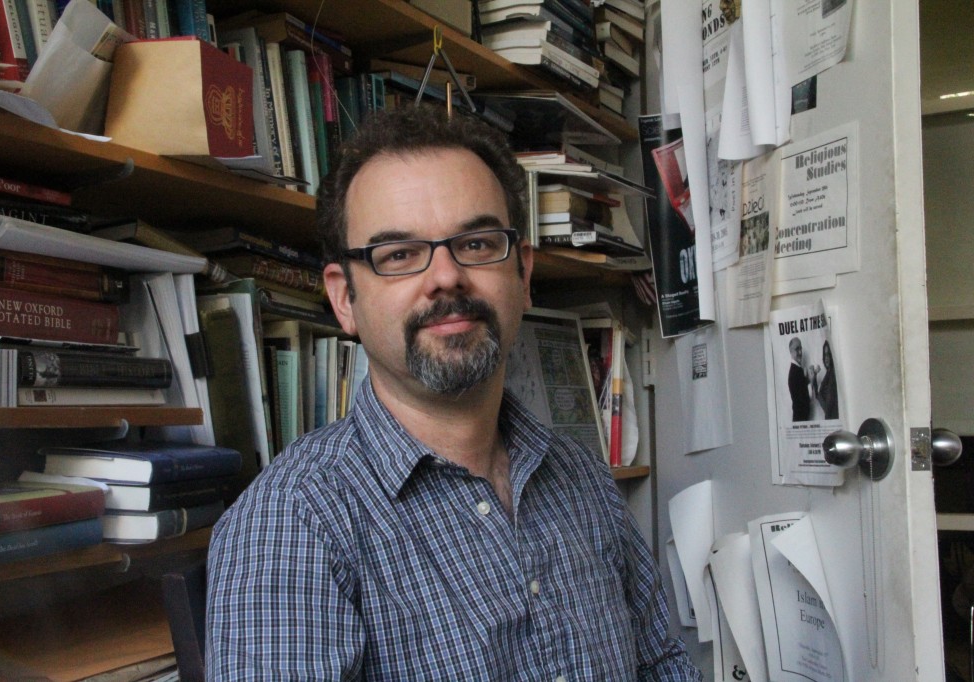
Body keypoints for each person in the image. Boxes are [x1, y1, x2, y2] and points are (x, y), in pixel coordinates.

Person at [206, 104, 702, 681]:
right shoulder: (293, 525)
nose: (445, 276)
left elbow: (662, 665)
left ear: (522, 273)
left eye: (476, 243)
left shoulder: (582, 479)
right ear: (345, 299)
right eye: (399, 255)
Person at [810, 340, 839, 419]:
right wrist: (814, 376)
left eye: (829, 354)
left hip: (832, 419)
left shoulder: (832, 374)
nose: (826, 358)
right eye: (825, 354)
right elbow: (818, 396)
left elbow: (828, 408)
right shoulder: (828, 373)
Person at [788, 336, 811, 422]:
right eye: (797, 349)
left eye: (800, 348)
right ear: (791, 351)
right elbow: (803, 401)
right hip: (800, 422)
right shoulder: (795, 372)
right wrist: (811, 382)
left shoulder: (798, 370)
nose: (800, 352)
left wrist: (807, 380)